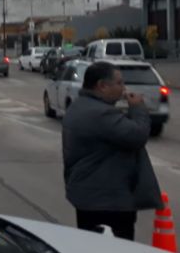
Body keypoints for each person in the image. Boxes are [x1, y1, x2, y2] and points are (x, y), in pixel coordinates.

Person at [62, 62, 162, 241]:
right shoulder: (99, 113)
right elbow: (137, 135)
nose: (123, 88)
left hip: (91, 197)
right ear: (102, 85)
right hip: (107, 202)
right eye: (119, 83)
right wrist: (138, 108)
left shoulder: (81, 106)